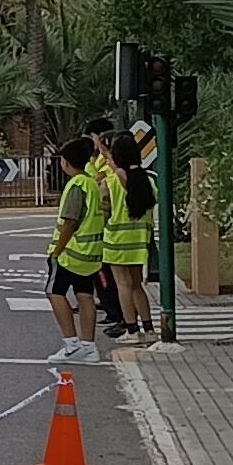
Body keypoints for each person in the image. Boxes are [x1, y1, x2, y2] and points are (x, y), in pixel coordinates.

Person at [47, 133, 108, 362]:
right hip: (91, 254)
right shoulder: (91, 183)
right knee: (85, 296)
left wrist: (56, 251)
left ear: (66, 162)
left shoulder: (76, 185)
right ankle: (89, 346)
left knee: (55, 293)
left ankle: (71, 343)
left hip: (70, 254)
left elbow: (70, 221)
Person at [103, 124, 156, 339]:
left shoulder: (111, 182)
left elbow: (104, 211)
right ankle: (149, 329)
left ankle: (132, 329)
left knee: (122, 285)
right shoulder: (149, 181)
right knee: (137, 285)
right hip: (140, 241)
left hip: (117, 241)